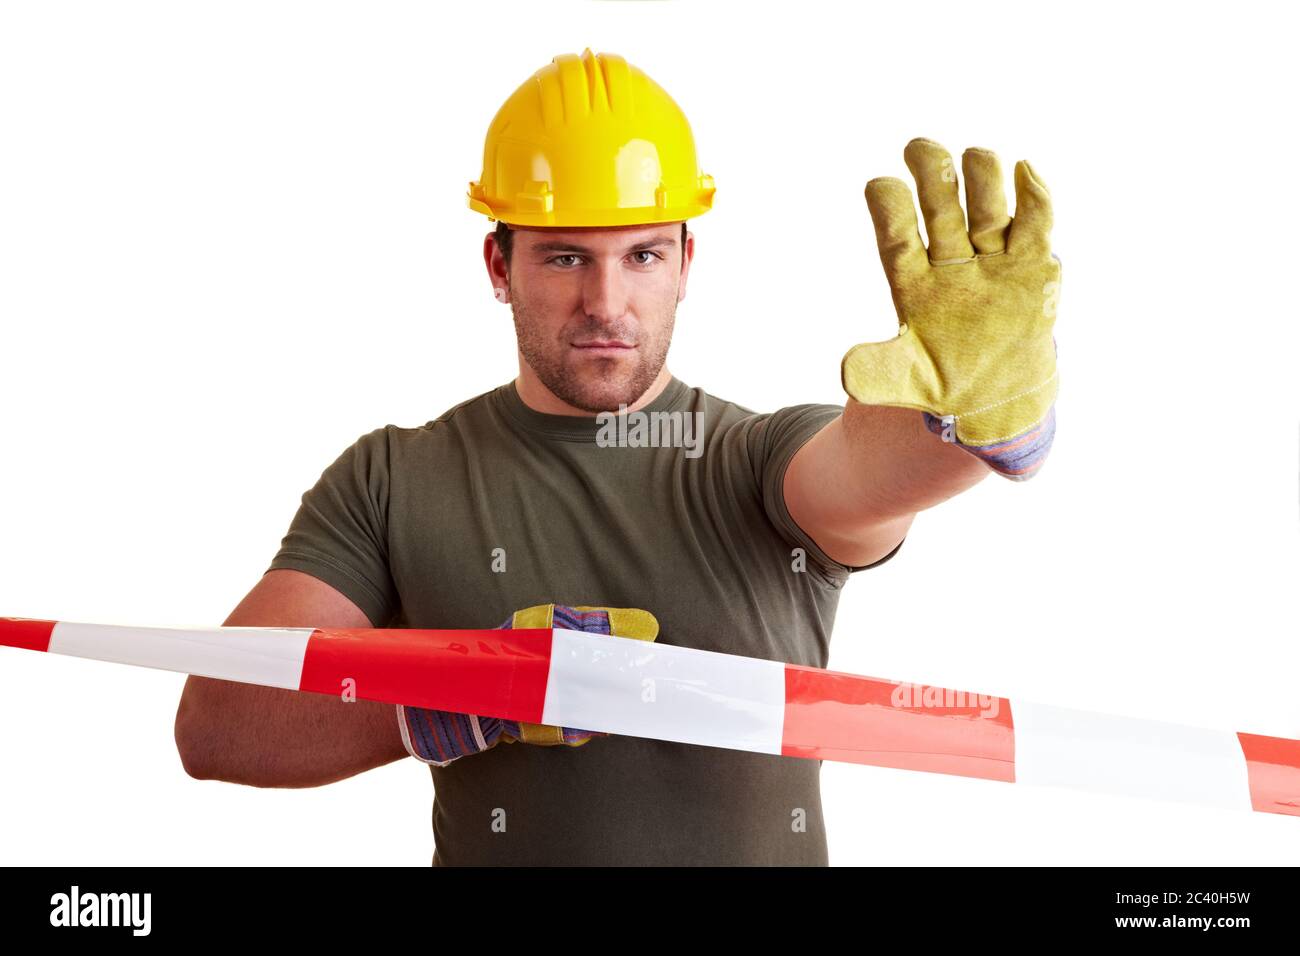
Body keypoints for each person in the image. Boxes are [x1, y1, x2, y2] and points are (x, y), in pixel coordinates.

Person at [174, 48, 1059, 866]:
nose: (606, 303)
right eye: (565, 257)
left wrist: (969, 422)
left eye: (641, 255)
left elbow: (871, 474)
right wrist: (445, 695)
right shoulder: (392, 479)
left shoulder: (753, 459)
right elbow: (218, 722)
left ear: (685, 261)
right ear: (498, 261)